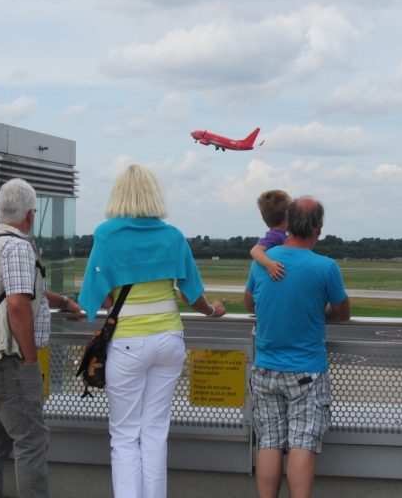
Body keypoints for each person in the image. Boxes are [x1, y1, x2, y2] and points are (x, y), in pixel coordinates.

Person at [80, 164, 226, 498]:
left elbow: (98, 296)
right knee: (155, 433)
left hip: (128, 343)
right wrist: (213, 311)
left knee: (125, 435)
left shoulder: (106, 234)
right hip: (169, 341)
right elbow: (194, 296)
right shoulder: (172, 235)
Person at [0, 178, 83, 498]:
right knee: (32, 441)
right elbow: (17, 305)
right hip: (11, 359)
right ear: (31, 215)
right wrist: (30, 360)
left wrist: (61, 302)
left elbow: (14, 293)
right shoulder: (18, 246)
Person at [244, 196, 351, 498]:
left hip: (265, 367)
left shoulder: (263, 260)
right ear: (319, 228)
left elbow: (250, 303)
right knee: (302, 444)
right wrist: (324, 310)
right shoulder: (325, 266)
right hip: (306, 371)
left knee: (269, 443)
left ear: (288, 224)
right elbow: (343, 312)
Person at [249, 189, 292, 281]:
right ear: (287, 217)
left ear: (264, 219)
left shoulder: (282, 235)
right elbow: (255, 250)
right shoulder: (275, 236)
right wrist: (269, 264)